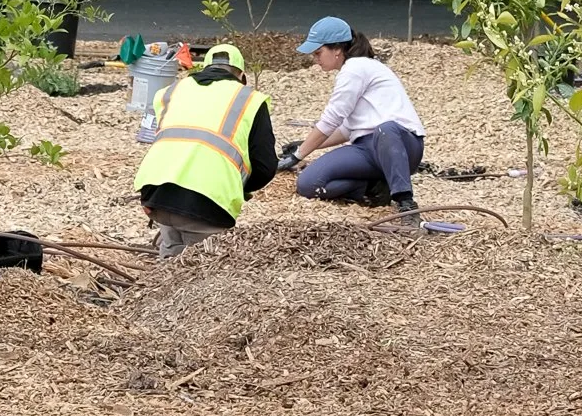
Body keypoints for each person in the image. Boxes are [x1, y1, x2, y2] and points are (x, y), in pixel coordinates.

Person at [136, 40, 279, 259]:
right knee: (203, 272)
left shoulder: (171, 92)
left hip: (157, 196)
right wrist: (236, 186)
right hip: (208, 204)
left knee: (169, 264)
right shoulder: (249, 99)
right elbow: (265, 167)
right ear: (241, 76)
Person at [292, 18, 425, 215]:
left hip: (402, 145)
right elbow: (346, 129)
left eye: (318, 52)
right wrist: (307, 143)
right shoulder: (354, 70)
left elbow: (331, 119)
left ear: (337, 49)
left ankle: (405, 201)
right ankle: (375, 188)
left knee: (386, 129)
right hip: (367, 149)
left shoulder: (355, 68)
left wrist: (298, 154)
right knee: (308, 184)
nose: (315, 59)